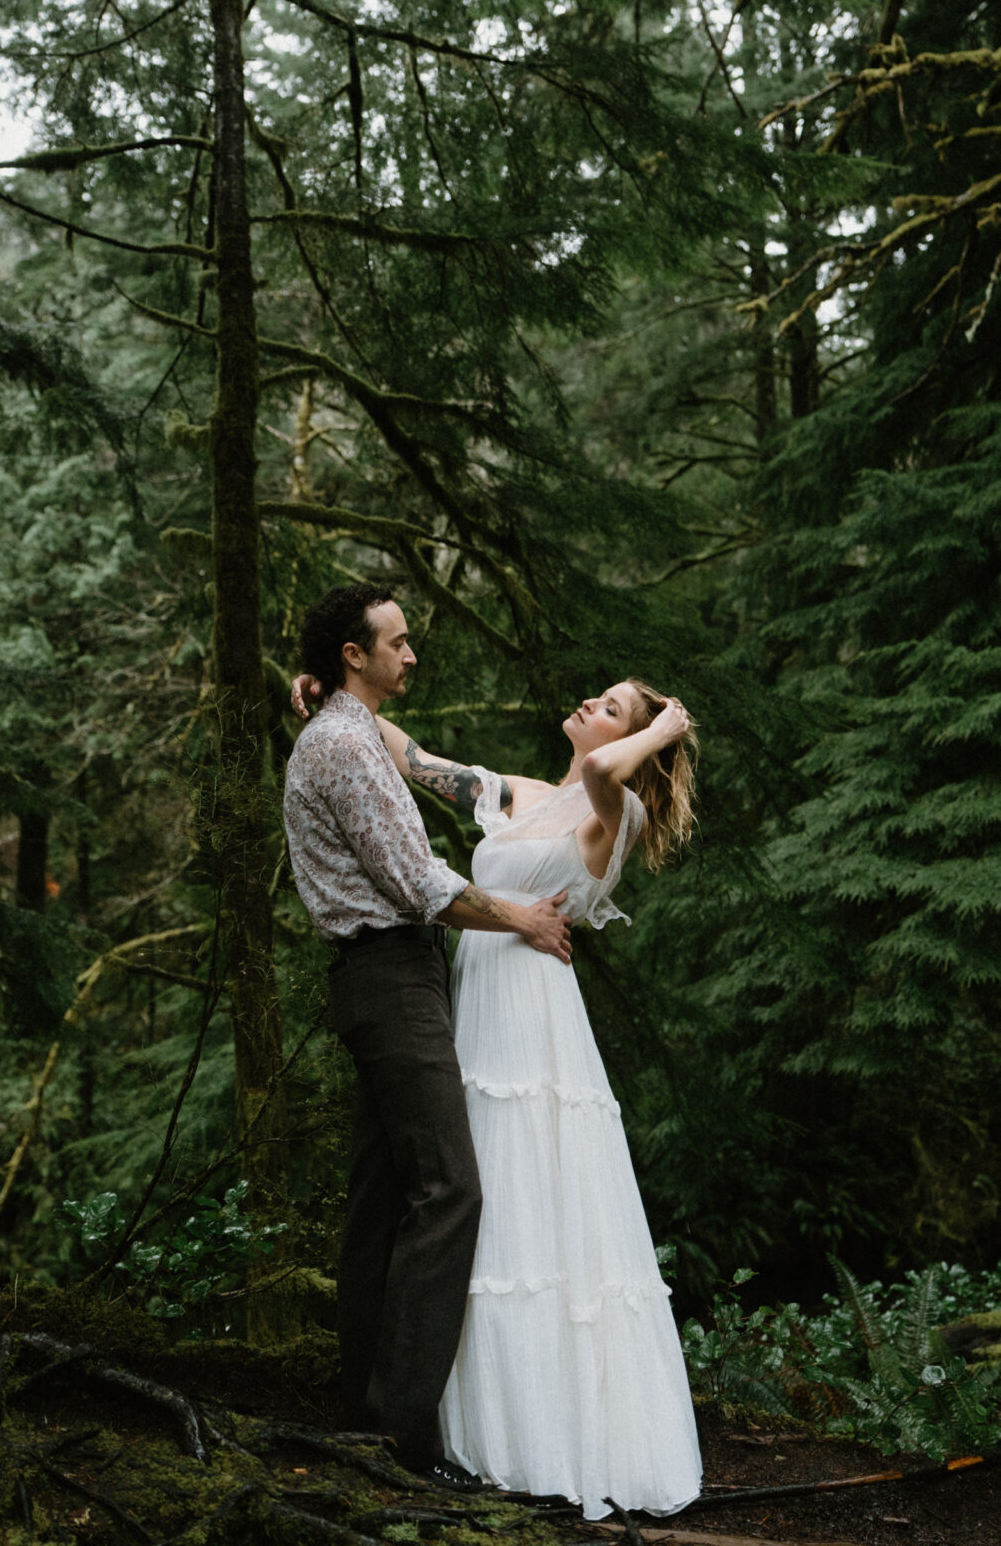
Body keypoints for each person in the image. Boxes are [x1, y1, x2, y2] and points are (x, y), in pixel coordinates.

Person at [291, 650, 703, 1518]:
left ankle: (539, 1431)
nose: (590, 701)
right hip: (469, 1005)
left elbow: (596, 768)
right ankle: (436, 1412)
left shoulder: (610, 810)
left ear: (632, 741)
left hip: (534, 1022)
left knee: (526, 1200)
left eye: (613, 706)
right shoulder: (515, 792)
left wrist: (665, 729)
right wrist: (335, 701)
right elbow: (408, 755)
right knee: (457, 1192)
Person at [281, 583, 571, 1488]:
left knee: (382, 1198)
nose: (412, 656)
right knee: (449, 1191)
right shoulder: (343, 747)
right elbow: (419, 885)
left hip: (383, 977)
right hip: (391, 975)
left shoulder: (348, 732)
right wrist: (521, 918)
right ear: (352, 658)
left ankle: (363, 1419)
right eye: (396, 644)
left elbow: (421, 766)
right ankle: (399, 1440)